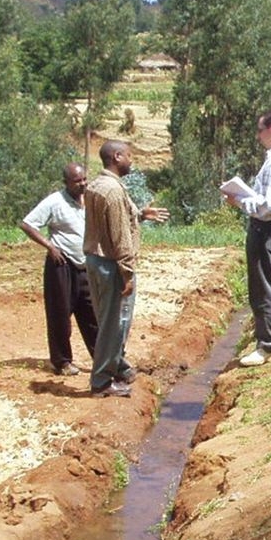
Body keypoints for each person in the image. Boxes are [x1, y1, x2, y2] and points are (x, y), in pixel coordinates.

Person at [83, 140, 169, 398]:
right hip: (112, 265)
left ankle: (118, 366)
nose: (132, 160)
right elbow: (120, 237)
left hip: (95, 260)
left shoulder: (97, 185)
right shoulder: (113, 191)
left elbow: (115, 219)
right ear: (117, 157)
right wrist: (127, 273)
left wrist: (141, 214)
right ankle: (101, 382)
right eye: (129, 156)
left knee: (108, 319)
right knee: (115, 324)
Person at [223, 110, 271, 367]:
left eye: (259, 130)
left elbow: (270, 205)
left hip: (267, 229)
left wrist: (240, 201)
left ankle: (268, 346)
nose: (258, 136)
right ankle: (268, 340)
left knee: (262, 287)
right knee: (268, 284)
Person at [20, 162, 99, 376]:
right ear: (66, 183)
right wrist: (50, 246)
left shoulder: (89, 198)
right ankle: (62, 361)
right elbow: (27, 224)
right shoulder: (54, 202)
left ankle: (101, 359)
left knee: (91, 313)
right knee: (60, 314)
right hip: (61, 265)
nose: (82, 184)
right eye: (77, 181)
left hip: (85, 264)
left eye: (84, 179)